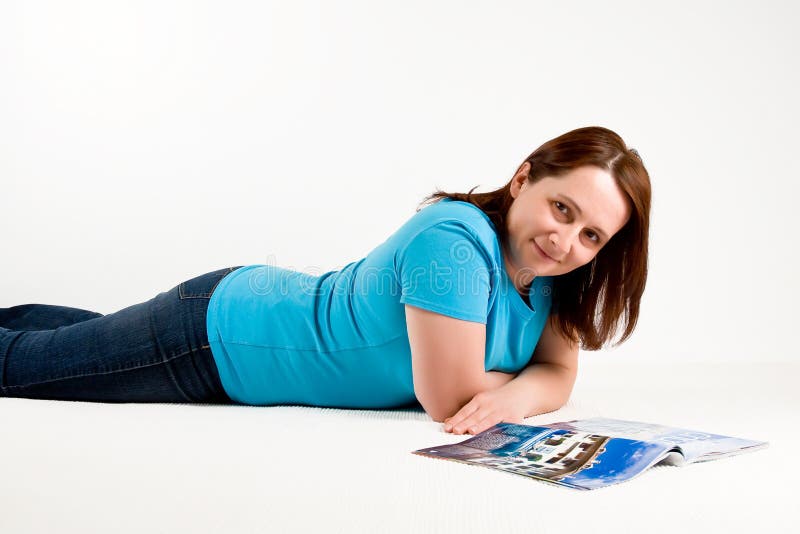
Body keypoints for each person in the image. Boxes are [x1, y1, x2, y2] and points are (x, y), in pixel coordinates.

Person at [0, 125, 651, 437]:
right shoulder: (453, 242)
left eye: (592, 235)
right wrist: (526, 390)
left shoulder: (557, 280)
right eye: (562, 208)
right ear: (522, 179)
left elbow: (561, 372)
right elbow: (451, 397)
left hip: (236, 324)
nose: (567, 241)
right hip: (218, 340)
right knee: (24, 368)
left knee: (72, 341)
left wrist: (514, 397)